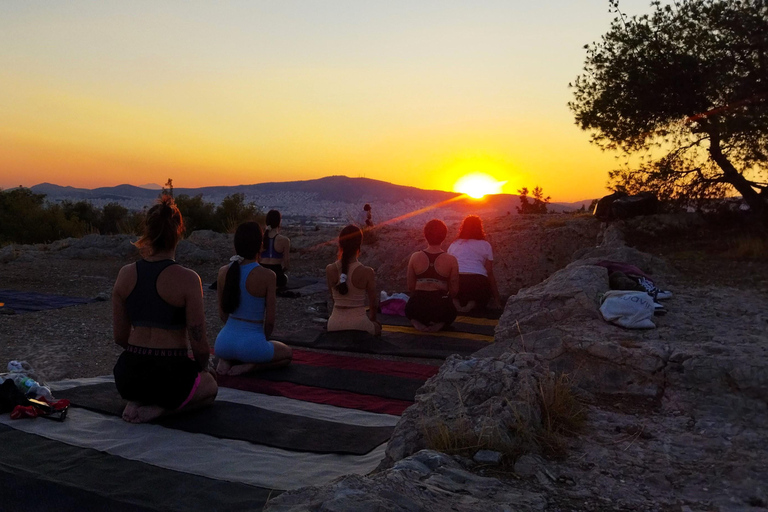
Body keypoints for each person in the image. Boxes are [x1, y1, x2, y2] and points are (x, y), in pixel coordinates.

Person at [112, 195, 218, 424]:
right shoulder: (189, 279)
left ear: (148, 233)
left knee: (145, 384)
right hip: (169, 375)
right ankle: (160, 411)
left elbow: (120, 337)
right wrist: (203, 369)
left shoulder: (125, 274)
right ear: (178, 233)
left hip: (128, 376)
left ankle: (137, 400)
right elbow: (199, 344)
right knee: (209, 386)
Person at [215, 221, 293, 375]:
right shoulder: (268, 276)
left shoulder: (223, 272)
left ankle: (226, 359)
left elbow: (223, 315)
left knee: (236, 347)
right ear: (260, 245)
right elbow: (270, 322)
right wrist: (258, 342)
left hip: (222, 343)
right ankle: (252, 366)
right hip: (251, 344)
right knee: (287, 354)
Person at [325, 225, 381, 335]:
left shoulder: (330, 269)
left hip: (334, 325)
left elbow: (333, 299)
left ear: (340, 244)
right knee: (378, 327)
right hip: (359, 325)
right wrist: (372, 320)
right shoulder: (367, 272)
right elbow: (373, 303)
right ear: (359, 245)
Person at [405, 219, 460, 332]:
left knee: (409, 310)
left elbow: (411, 287)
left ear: (425, 235)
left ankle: (416, 322)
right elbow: (454, 289)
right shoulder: (451, 260)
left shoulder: (415, 257)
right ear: (444, 236)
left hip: (417, 306)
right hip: (439, 306)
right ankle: (440, 324)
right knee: (451, 312)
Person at [447, 215, 502, 313]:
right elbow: (489, 272)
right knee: (480, 295)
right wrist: (497, 300)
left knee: (455, 294)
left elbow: (448, 269)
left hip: (458, 280)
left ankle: (456, 304)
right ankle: (472, 304)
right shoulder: (485, 245)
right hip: (477, 280)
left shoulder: (454, 245)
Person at [259, 210, 290, 289]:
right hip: (277, 275)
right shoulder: (285, 240)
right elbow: (286, 263)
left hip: (261, 273)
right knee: (284, 279)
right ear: (279, 222)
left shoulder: (261, 239)